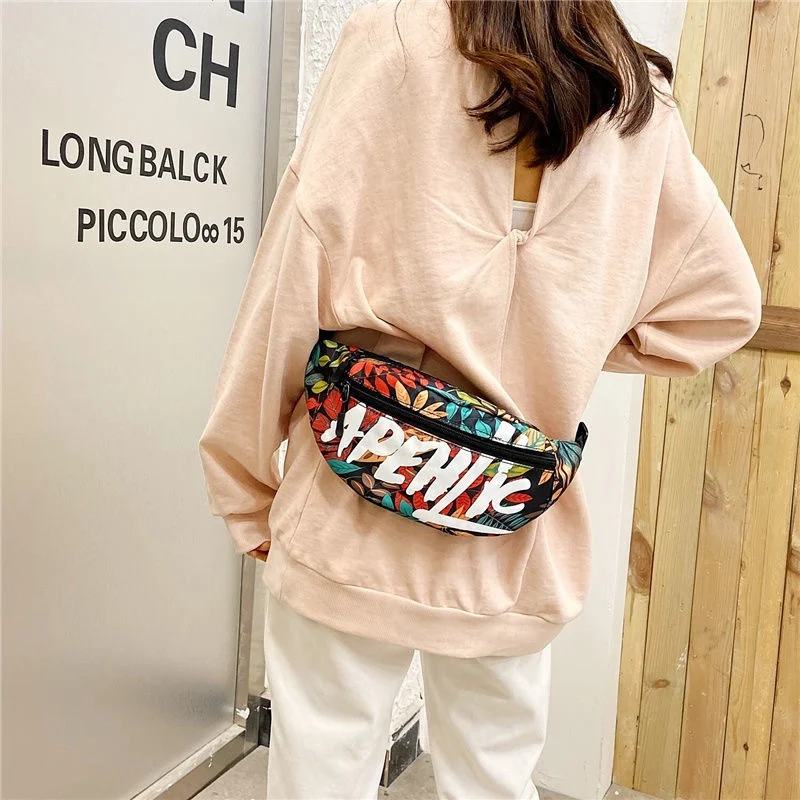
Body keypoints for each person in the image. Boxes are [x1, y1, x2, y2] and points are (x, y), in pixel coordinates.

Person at [198, 0, 762, 797]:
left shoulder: (393, 41)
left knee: (320, 768)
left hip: (351, 500)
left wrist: (244, 483)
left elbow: (295, 275)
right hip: (513, 528)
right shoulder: (634, 98)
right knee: (493, 779)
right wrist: (568, 341)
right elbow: (723, 305)